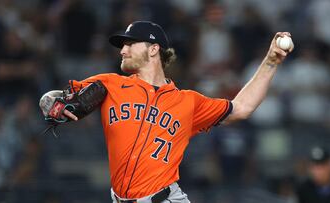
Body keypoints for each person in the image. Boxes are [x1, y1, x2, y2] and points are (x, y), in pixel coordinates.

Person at [40, 21, 293, 202]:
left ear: (153, 49)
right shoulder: (110, 84)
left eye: (130, 44)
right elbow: (52, 99)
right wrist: (52, 104)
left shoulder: (188, 102)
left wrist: (270, 62)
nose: (122, 50)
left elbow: (242, 108)